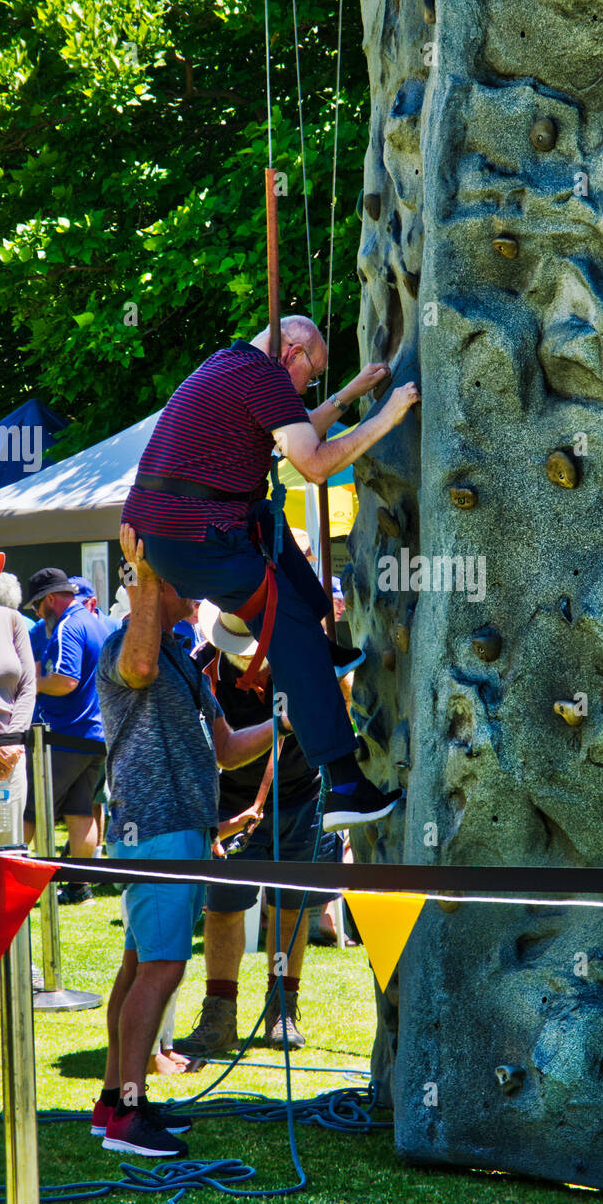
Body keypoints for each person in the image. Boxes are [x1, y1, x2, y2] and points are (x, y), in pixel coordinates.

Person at [120, 314, 418, 832]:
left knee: (268, 523)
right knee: (289, 628)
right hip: (196, 536)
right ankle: (345, 783)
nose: (308, 386)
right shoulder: (264, 376)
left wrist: (348, 395)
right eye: (313, 373)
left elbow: (296, 433)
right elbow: (314, 463)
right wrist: (389, 414)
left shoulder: (231, 365)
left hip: (173, 529)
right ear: (290, 352)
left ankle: (323, 650)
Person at [93, 526, 277, 1158]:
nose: (197, 589)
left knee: (139, 965)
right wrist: (145, 570)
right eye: (184, 576)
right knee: (163, 968)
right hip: (157, 831)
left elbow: (224, 750)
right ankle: (128, 1116)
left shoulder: (182, 656)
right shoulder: (130, 647)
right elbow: (138, 667)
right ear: (158, 584)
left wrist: (282, 726)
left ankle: (114, 1102)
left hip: (174, 831)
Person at [172, 602, 346, 1057]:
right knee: (224, 908)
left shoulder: (301, 656)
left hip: (303, 793)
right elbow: (215, 751)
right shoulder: (202, 668)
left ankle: (281, 1010)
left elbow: (342, 702)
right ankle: (219, 1015)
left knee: (291, 907)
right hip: (229, 801)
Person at [22, 567, 112, 904]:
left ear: (49, 600)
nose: (35, 612)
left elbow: (65, 680)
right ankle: (79, 888)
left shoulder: (69, 626)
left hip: (66, 736)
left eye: (35, 605)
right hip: (96, 736)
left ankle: (6, 890)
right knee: (80, 813)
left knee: (27, 811)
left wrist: (30, 684)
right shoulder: (96, 623)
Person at [0, 550, 36, 848]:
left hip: (8, 755)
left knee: (8, 846)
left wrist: (12, 742)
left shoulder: (12, 620)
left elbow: (27, 685)